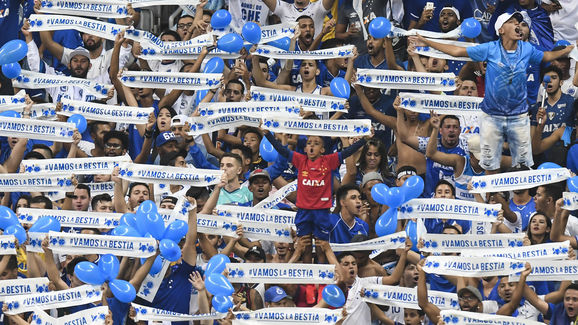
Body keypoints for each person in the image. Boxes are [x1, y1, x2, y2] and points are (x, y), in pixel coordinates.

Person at [411, 12, 575, 174]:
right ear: (501, 30)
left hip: (519, 115)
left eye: (518, 23)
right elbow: (455, 51)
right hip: (493, 116)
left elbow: (546, 56)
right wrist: (427, 41)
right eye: (511, 22)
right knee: (490, 163)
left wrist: (566, 51)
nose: (517, 25)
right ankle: (491, 196)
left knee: (523, 165)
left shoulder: (526, 48)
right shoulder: (490, 48)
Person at [263, 130, 368, 263]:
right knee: (305, 247)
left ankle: (321, 281)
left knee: (321, 248)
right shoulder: (300, 160)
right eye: (309, 143)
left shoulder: (329, 161)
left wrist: (365, 139)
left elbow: (347, 152)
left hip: (321, 212)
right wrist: (267, 134)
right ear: (305, 148)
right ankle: (308, 281)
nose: (312, 146)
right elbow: (282, 151)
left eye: (316, 143)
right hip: (303, 212)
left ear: (323, 149)